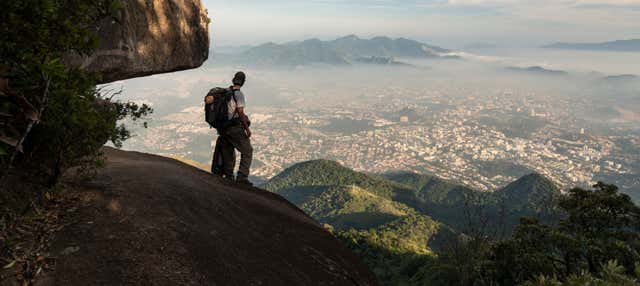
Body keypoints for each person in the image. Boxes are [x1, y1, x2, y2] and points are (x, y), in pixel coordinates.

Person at [221, 71, 253, 185]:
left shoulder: (226, 92)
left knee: (229, 152)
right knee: (248, 151)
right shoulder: (239, 95)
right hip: (234, 128)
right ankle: (242, 177)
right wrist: (247, 129)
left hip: (223, 128)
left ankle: (228, 176)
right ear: (243, 82)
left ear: (233, 80)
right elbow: (240, 112)